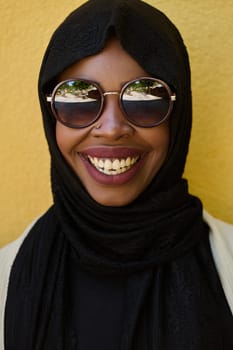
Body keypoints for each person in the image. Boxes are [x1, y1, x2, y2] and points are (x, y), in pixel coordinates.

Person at [0, 0, 233, 349]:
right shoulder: (6, 274)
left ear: (178, 115)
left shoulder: (227, 266)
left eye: (145, 96)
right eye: (77, 99)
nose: (111, 129)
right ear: (50, 117)